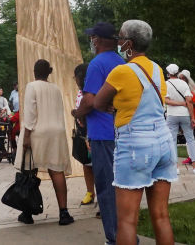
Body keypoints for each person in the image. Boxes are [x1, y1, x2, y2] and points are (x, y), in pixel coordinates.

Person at [94, 20, 175, 245]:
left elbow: (99, 103)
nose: (118, 42)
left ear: (128, 43)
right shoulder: (158, 69)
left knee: (127, 221)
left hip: (135, 145)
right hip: (164, 142)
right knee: (161, 215)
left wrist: (113, 105)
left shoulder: (121, 71)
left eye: (120, 38)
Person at [73, 22, 124, 245]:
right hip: (120, 131)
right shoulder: (122, 62)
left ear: (98, 40)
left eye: (92, 37)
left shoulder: (97, 64)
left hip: (102, 134)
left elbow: (90, 100)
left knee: (105, 187)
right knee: (122, 187)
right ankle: (127, 235)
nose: (91, 41)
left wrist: (77, 112)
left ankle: (114, 238)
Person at [16, 60, 73, 226]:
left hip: (37, 132)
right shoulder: (55, 88)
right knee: (56, 171)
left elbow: (30, 113)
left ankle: (27, 213)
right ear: (48, 73)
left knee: (29, 170)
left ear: (34, 72)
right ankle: (64, 212)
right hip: (56, 132)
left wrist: (26, 135)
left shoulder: (32, 86)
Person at [163, 64, 195, 173]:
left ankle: (175, 167)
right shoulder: (184, 83)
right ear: (178, 72)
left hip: (171, 115)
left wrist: (179, 103)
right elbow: (189, 101)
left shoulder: (166, 84)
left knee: (172, 141)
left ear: (168, 73)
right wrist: (192, 117)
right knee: (190, 139)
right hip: (185, 114)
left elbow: (166, 100)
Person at [72, 63, 95, 206]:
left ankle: (104, 196)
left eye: (75, 77)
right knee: (86, 164)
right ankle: (90, 192)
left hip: (93, 131)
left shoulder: (91, 90)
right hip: (83, 132)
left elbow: (88, 108)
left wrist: (77, 113)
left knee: (99, 165)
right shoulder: (80, 92)